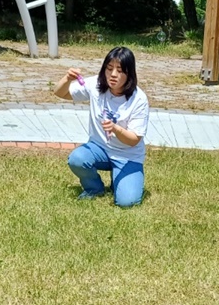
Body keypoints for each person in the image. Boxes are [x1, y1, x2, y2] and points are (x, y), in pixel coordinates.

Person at [54, 47, 148, 207]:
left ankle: (119, 178)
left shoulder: (139, 99)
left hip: (127, 156)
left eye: (120, 70)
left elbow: (133, 140)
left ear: (130, 74)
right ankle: (94, 189)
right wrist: (67, 79)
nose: (113, 74)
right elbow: (60, 93)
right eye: (109, 68)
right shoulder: (95, 84)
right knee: (77, 159)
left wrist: (116, 129)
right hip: (99, 149)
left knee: (127, 202)